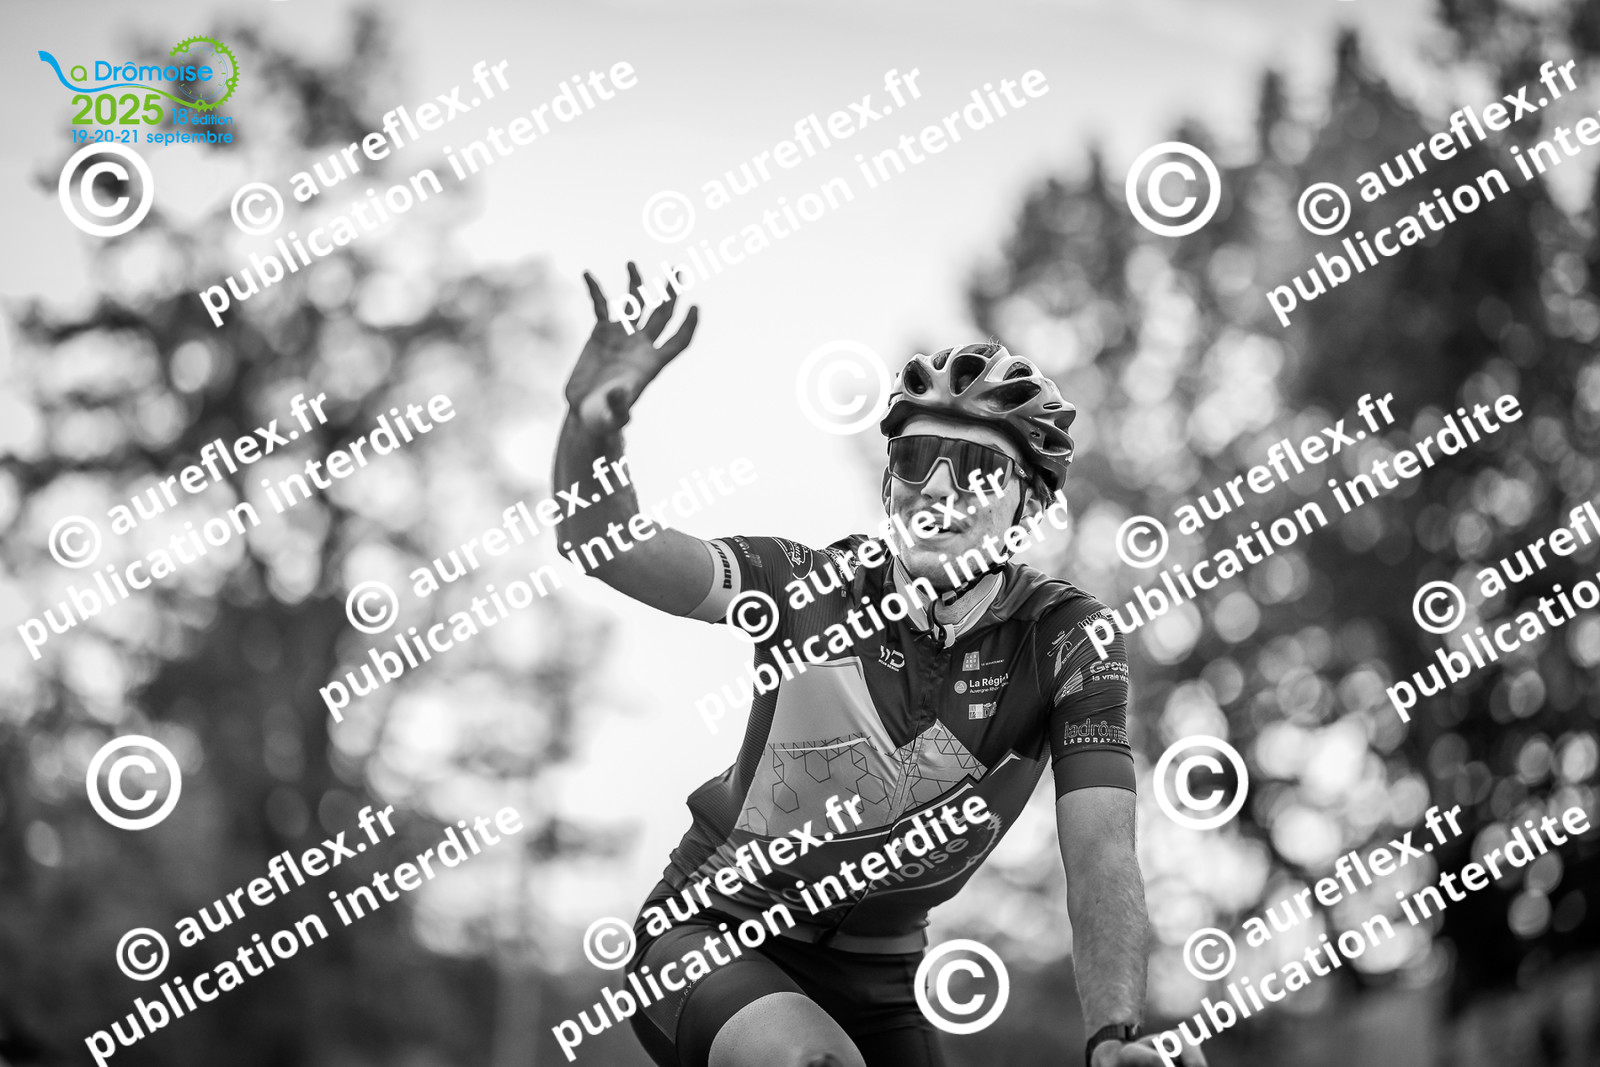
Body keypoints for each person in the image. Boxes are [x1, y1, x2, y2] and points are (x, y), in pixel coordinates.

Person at [552, 265, 1206, 1067]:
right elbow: (606, 544)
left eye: (977, 469)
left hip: (884, 980)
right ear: (890, 481)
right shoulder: (805, 585)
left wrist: (1112, 1036)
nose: (939, 488)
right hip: (711, 932)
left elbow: (1101, 851)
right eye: (916, 458)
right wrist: (590, 431)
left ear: (1030, 505)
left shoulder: (1066, 637)